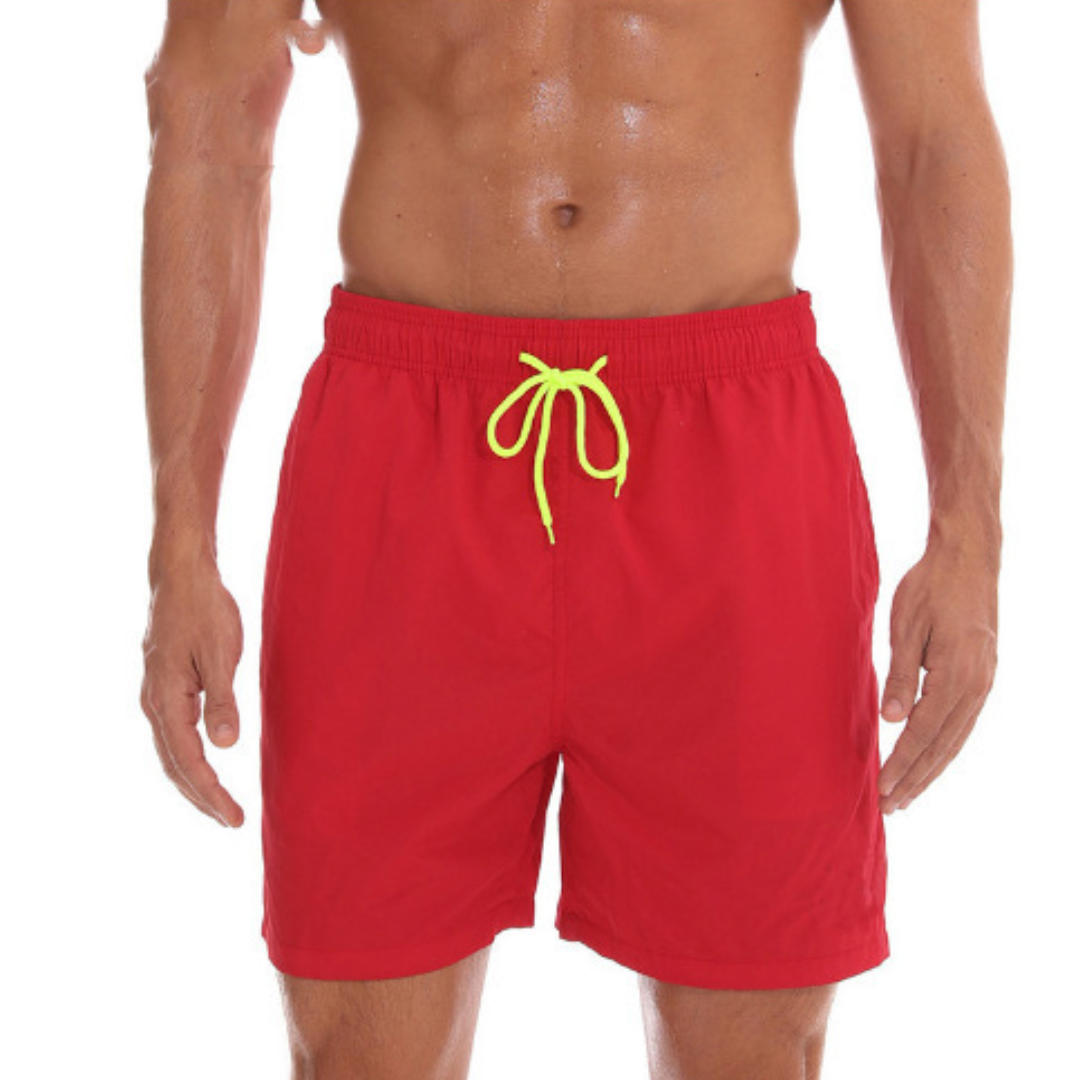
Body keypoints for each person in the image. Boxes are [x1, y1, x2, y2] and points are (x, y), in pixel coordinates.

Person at [138, 1, 1011, 1077]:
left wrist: (969, 531)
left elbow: (933, 139)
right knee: (357, 1055)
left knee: (754, 1058)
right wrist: (180, 547)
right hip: (404, 456)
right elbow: (208, 124)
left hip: (730, 462)